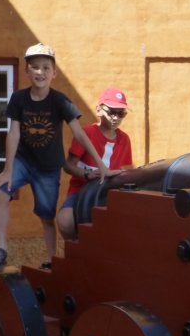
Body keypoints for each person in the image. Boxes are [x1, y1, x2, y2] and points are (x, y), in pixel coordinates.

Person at [0, 43, 112, 267]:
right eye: (34, 67)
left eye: (45, 67)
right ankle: (1, 248)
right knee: (0, 194)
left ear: (54, 73)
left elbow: (79, 134)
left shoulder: (60, 101)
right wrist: (8, 170)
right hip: (23, 161)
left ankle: (52, 260)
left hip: (49, 168)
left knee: (46, 216)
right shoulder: (19, 99)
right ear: (27, 71)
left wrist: (101, 165)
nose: (40, 72)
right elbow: (13, 133)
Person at [57, 88, 134, 240]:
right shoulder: (87, 133)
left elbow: (124, 170)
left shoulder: (124, 139)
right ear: (99, 110)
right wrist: (87, 174)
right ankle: (74, 247)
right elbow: (68, 166)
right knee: (65, 220)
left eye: (121, 114)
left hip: (110, 192)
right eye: (111, 112)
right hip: (81, 190)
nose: (115, 117)